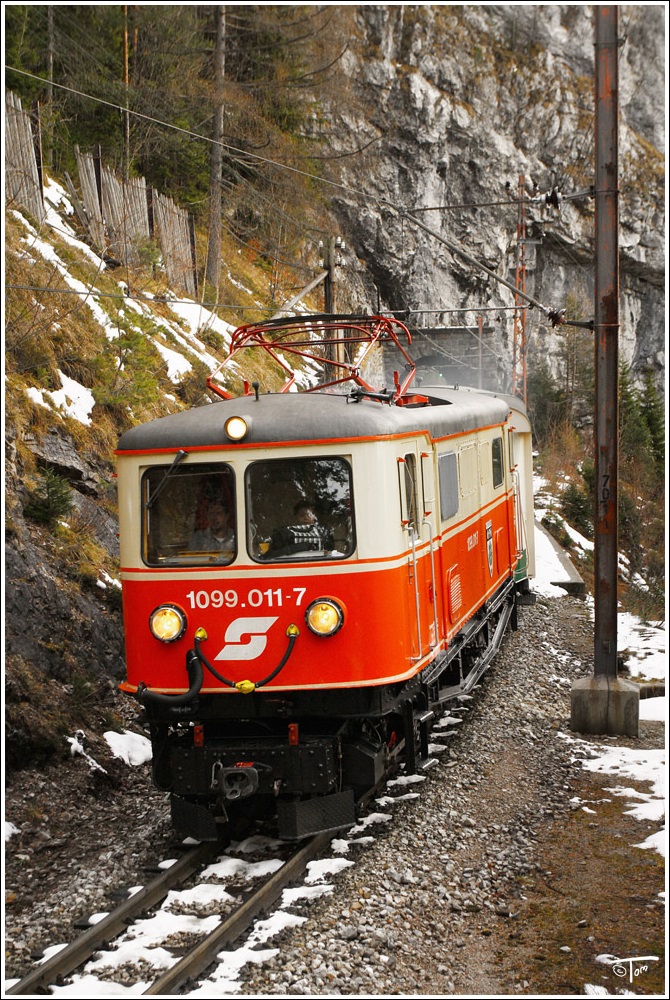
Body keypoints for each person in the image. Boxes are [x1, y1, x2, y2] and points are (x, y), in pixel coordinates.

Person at [268, 501, 334, 557]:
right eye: (302, 515)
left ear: (314, 516)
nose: (306, 518)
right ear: (296, 517)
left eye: (309, 514)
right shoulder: (286, 533)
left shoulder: (322, 532)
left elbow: (328, 552)